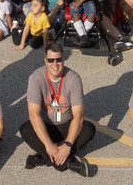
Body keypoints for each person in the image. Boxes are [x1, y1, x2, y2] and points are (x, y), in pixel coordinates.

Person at [20, 45, 94, 173]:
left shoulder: (73, 78)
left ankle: (43, 157)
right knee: (25, 129)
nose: (55, 64)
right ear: (45, 61)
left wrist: (68, 145)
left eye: (58, 59)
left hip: (67, 126)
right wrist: (48, 145)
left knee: (89, 129)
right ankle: (66, 162)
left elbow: (78, 115)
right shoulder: (35, 78)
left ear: (63, 60)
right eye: (51, 60)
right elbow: (33, 115)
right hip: (46, 127)